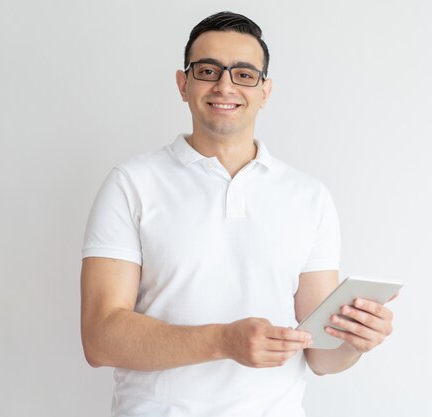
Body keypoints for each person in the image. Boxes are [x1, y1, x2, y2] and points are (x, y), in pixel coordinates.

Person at [81, 11, 396, 417]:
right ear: (183, 84)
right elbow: (100, 339)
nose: (225, 85)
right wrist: (224, 341)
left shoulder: (308, 196)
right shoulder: (131, 183)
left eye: (244, 74)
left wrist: (354, 341)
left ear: (265, 91)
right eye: (208, 70)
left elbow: (319, 356)